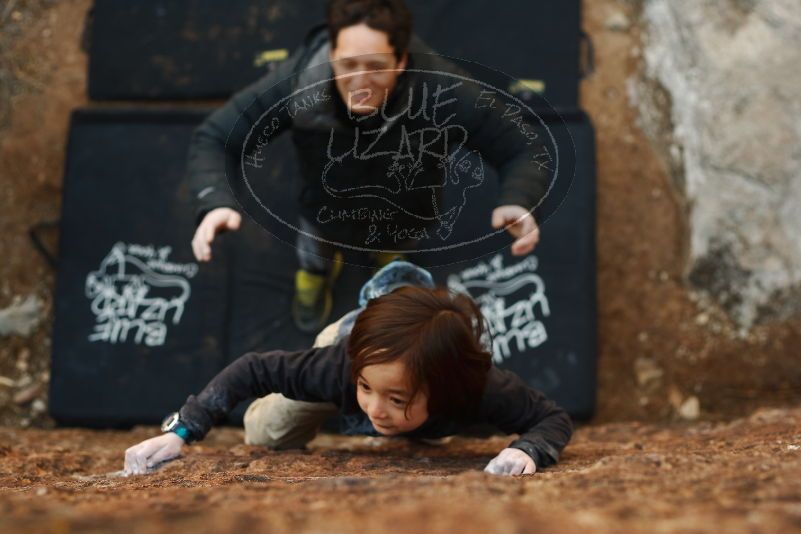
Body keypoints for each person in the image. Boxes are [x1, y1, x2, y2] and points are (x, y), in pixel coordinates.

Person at [187, 0, 548, 333]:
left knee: (394, 257)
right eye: (347, 65)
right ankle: (316, 277)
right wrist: (215, 201)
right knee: (314, 257)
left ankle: (389, 270)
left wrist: (517, 197)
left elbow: (522, 146)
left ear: (402, 60)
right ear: (331, 54)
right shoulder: (299, 85)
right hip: (323, 211)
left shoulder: (443, 90)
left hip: (406, 212)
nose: (360, 82)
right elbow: (217, 137)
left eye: (376, 67)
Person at [123, 270, 572, 477]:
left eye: (397, 399)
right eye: (367, 390)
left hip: (411, 361)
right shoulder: (336, 367)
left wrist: (531, 449)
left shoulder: (481, 387)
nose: (375, 410)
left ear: (446, 387)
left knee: (426, 434)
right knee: (265, 433)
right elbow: (252, 368)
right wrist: (180, 431)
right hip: (345, 340)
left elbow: (552, 419)